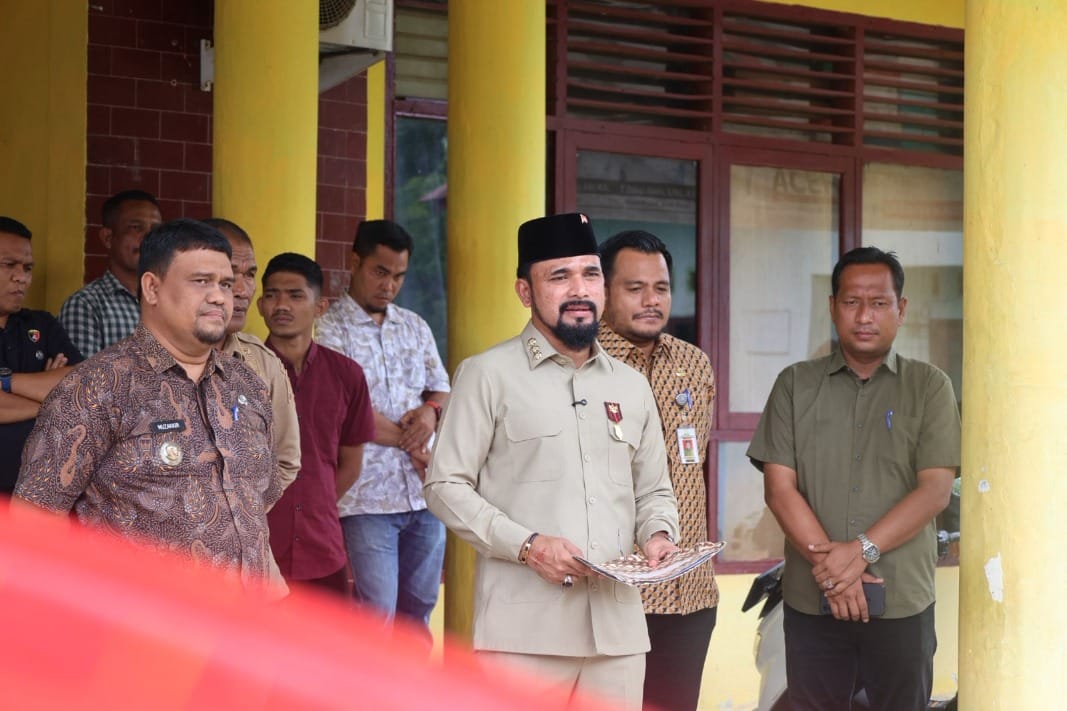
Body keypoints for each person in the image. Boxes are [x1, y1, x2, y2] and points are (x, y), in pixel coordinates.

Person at [423, 213, 680, 711]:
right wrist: (528, 546)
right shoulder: (486, 375)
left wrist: (658, 534)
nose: (579, 290)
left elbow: (654, 490)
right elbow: (444, 485)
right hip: (523, 635)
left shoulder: (631, 386)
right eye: (559, 276)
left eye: (590, 274)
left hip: (618, 637)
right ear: (526, 292)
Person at [14, 219, 286, 592]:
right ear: (152, 288)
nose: (220, 296)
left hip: (246, 619)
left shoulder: (247, 386)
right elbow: (33, 522)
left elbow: (259, 498)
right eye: (201, 281)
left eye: (225, 284)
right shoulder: (98, 386)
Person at [746, 247, 960, 711]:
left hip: (902, 601)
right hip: (811, 601)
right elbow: (779, 489)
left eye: (879, 303)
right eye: (851, 302)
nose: (864, 316)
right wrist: (838, 577)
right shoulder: (795, 385)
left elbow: (935, 490)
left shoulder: (930, 387)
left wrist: (860, 552)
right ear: (832, 306)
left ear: (901, 309)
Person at [597, 230, 719, 711]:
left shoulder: (693, 364)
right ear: (604, 290)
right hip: (611, 595)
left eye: (661, 288)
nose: (652, 300)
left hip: (688, 594)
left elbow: (693, 461)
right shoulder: (584, 365)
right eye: (635, 288)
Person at [315, 219, 450, 634]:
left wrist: (430, 412)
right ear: (355, 261)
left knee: (419, 611)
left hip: (425, 495)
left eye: (399, 276)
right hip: (367, 499)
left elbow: (442, 389)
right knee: (376, 616)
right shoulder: (328, 329)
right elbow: (345, 411)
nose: (389, 285)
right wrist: (413, 440)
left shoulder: (415, 325)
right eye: (380, 272)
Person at [259, 252, 375, 595]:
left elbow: (351, 463)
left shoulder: (347, 375)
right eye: (272, 295)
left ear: (320, 306)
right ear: (260, 306)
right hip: (258, 551)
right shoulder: (238, 372)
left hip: (322, 549)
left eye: (295, 296)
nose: (282, 305)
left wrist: (315, 502)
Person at [205, 218, 301, 498]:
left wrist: (244, 513)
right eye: (230, 274)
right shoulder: (140, 362)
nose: (243, 290)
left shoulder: (263, 363)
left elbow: (286, 461)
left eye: (249, 275)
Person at [0, 217, 83, 493]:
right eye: (9, 265)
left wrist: (6, 383)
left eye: (27, 268)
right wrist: (50, 400)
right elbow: (67, 400)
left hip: (43, 492)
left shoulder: (42, 324)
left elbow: (80, 387)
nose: (21, 277)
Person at [59, 189, 163, 356]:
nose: (148, 238)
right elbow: (84, 372)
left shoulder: (170, 300)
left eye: (155, 230)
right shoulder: (86, 305)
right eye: (136, 228)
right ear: (108, 238)